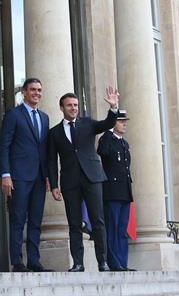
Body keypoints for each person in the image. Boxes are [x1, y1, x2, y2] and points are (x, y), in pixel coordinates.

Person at [48, 89, 119, 272]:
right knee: (74, 223)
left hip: (92, 177)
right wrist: (54, 185)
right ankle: (78, 263)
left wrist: (113, 107)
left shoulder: (87, 123)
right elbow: (50, 160)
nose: (73, 108)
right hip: (70, 181)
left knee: (98, 220)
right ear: (62, 108)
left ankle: (102, 262)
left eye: (76, 105)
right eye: (70, 105)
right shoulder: (54, 132)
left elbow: (107, 123)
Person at [0, 78, 51, 272]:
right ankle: (17, 262)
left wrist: (47, 177)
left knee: (36, 220)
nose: (36, 93)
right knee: (18, 219)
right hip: (18, 176)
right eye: (32, 90)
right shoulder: (14, 114)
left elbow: (44, 149)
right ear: (24, 92)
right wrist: (5, 174)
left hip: (38, 177)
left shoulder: (44, 117)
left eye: (39, 90)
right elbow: (4, 145)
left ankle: (34, 261)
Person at [97, 110, 134, 272]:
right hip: (112, 191)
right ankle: (113, 262)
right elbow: (102, 152)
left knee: (122, 229)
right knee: (112, 227)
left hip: (124, 191)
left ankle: (122, 262)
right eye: (120, 121)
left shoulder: (124, 143)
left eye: (124, 120)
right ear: (113, 123)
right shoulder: (107, 139)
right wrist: (108, 130)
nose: (124, 123)